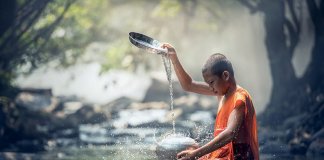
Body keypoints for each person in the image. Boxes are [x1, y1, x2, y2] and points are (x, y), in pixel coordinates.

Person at [161, 43, 259, 160]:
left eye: (211, 82)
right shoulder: (221, 92)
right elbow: (188, 85)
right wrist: (174, 58)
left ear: (225, 76)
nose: (210, 88)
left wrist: (196, 153)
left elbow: (230, 133)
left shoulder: (240, 98)